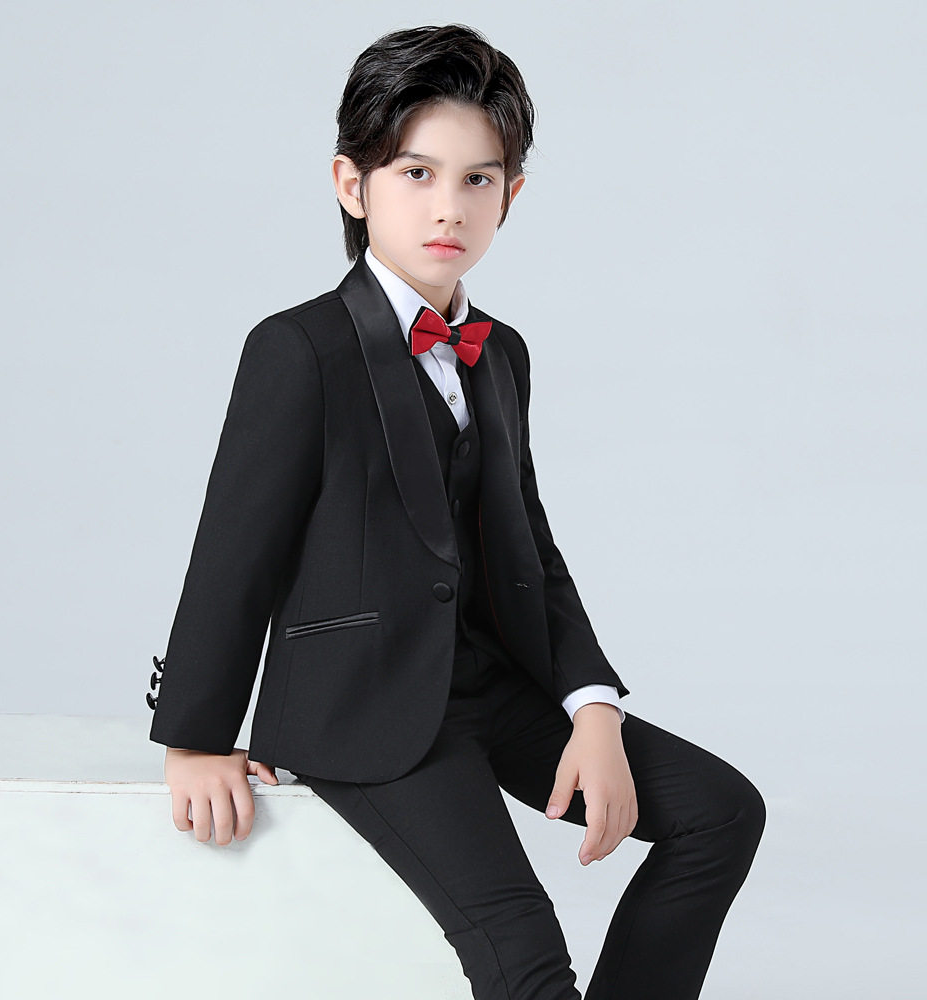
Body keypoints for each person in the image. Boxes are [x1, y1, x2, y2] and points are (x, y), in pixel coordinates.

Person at [146, 23, 766, 1000]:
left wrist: (593, 708)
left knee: (721, 813)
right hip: (363, 707)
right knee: (525, 952)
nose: (450, 205)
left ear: (511, 194)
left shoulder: (501, 351)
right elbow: (234, 552)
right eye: (417, 173)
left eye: (479, 179)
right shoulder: (297, 348)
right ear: (352, 184)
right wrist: (196, 737)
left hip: (489, 686)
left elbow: (528, 546)